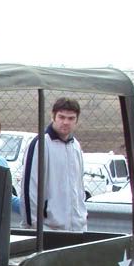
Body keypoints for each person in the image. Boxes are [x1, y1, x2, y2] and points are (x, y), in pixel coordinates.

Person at [21, 97, 86, 231]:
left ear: (76, 120)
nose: (65, 122)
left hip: (76, 228)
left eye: (71, 118)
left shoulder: (75, 146)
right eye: (61, 117)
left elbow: (79, 187)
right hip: (47, 229)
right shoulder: (40, 144)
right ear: (53, 116)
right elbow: (30, 188)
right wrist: (34, 225)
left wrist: (81, 220)